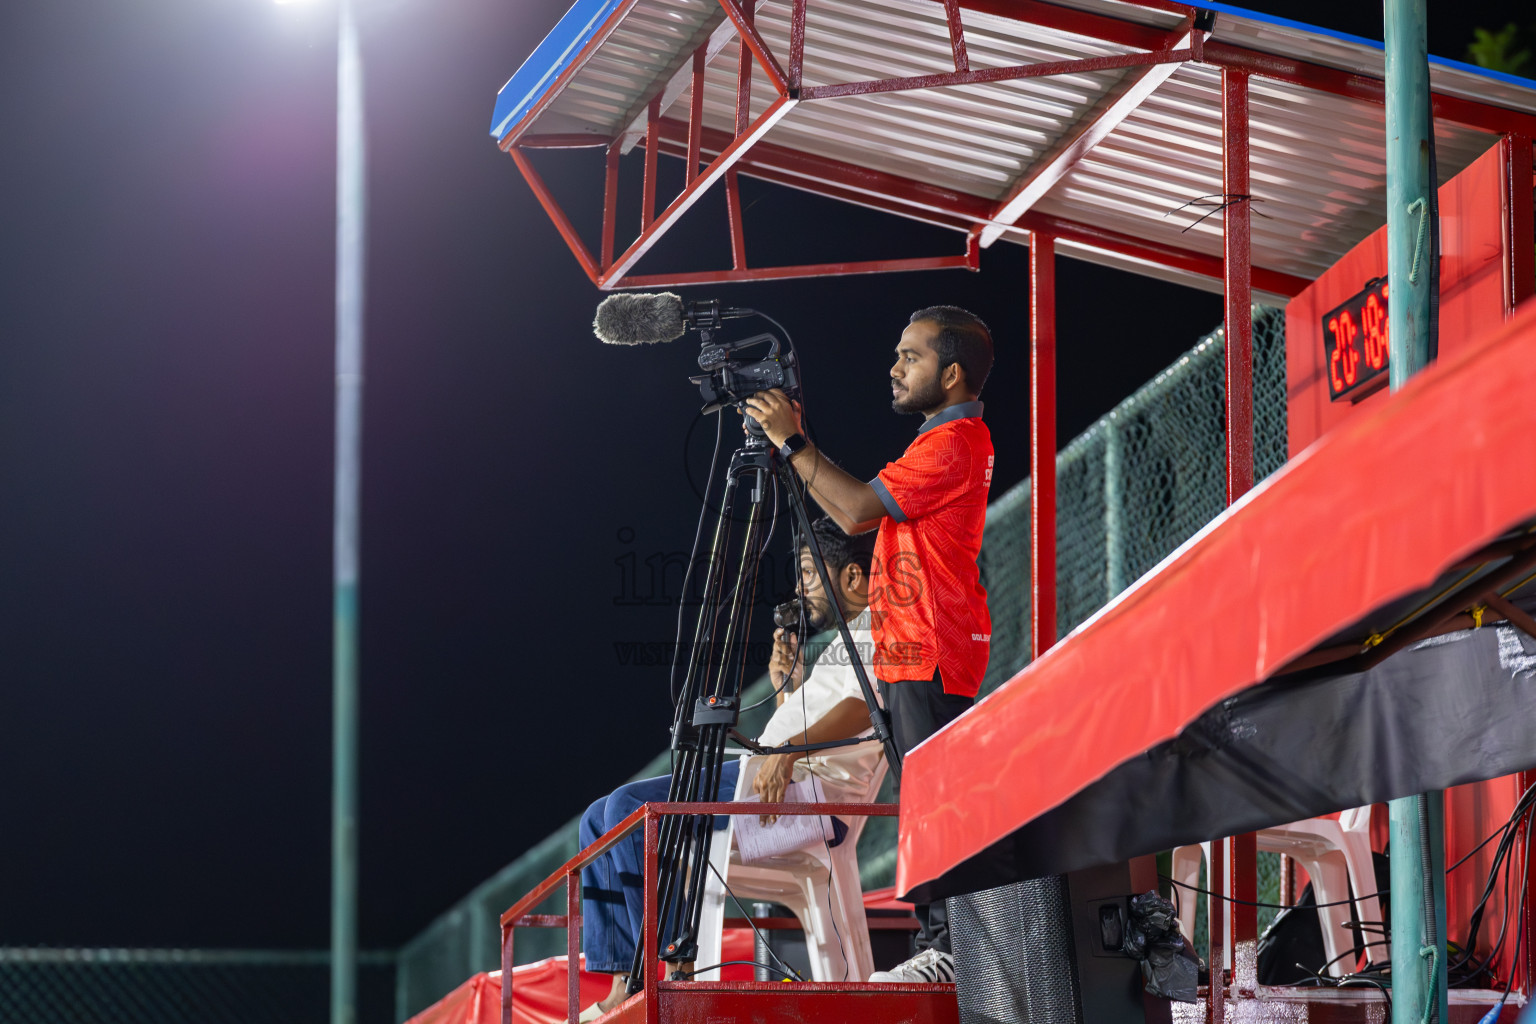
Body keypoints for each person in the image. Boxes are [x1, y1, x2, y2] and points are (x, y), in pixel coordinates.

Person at [742, 304, 995, 985]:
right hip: (921, 647)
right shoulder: (940, 443)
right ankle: (947, 944)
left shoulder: (952, 444)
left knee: (936, 802)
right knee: (926, 800)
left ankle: (952, 951)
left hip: (932, 648)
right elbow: (858, 508)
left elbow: (854, 510)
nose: (893, 366)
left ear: (951, 374)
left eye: (909, 356)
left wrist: (793, 443)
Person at [577, 518, 882, 1020]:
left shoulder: (878, 631)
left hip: (806, 801)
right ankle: (621, 983)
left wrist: (783, 753)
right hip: (773, 781)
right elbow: (820, 724)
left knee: (631, 810)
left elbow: (866, 708)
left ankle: (672, 967)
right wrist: (788, 687)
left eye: (808, 574)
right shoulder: (838, 647)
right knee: (596, 819)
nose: (801, 589)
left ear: (852, 577)